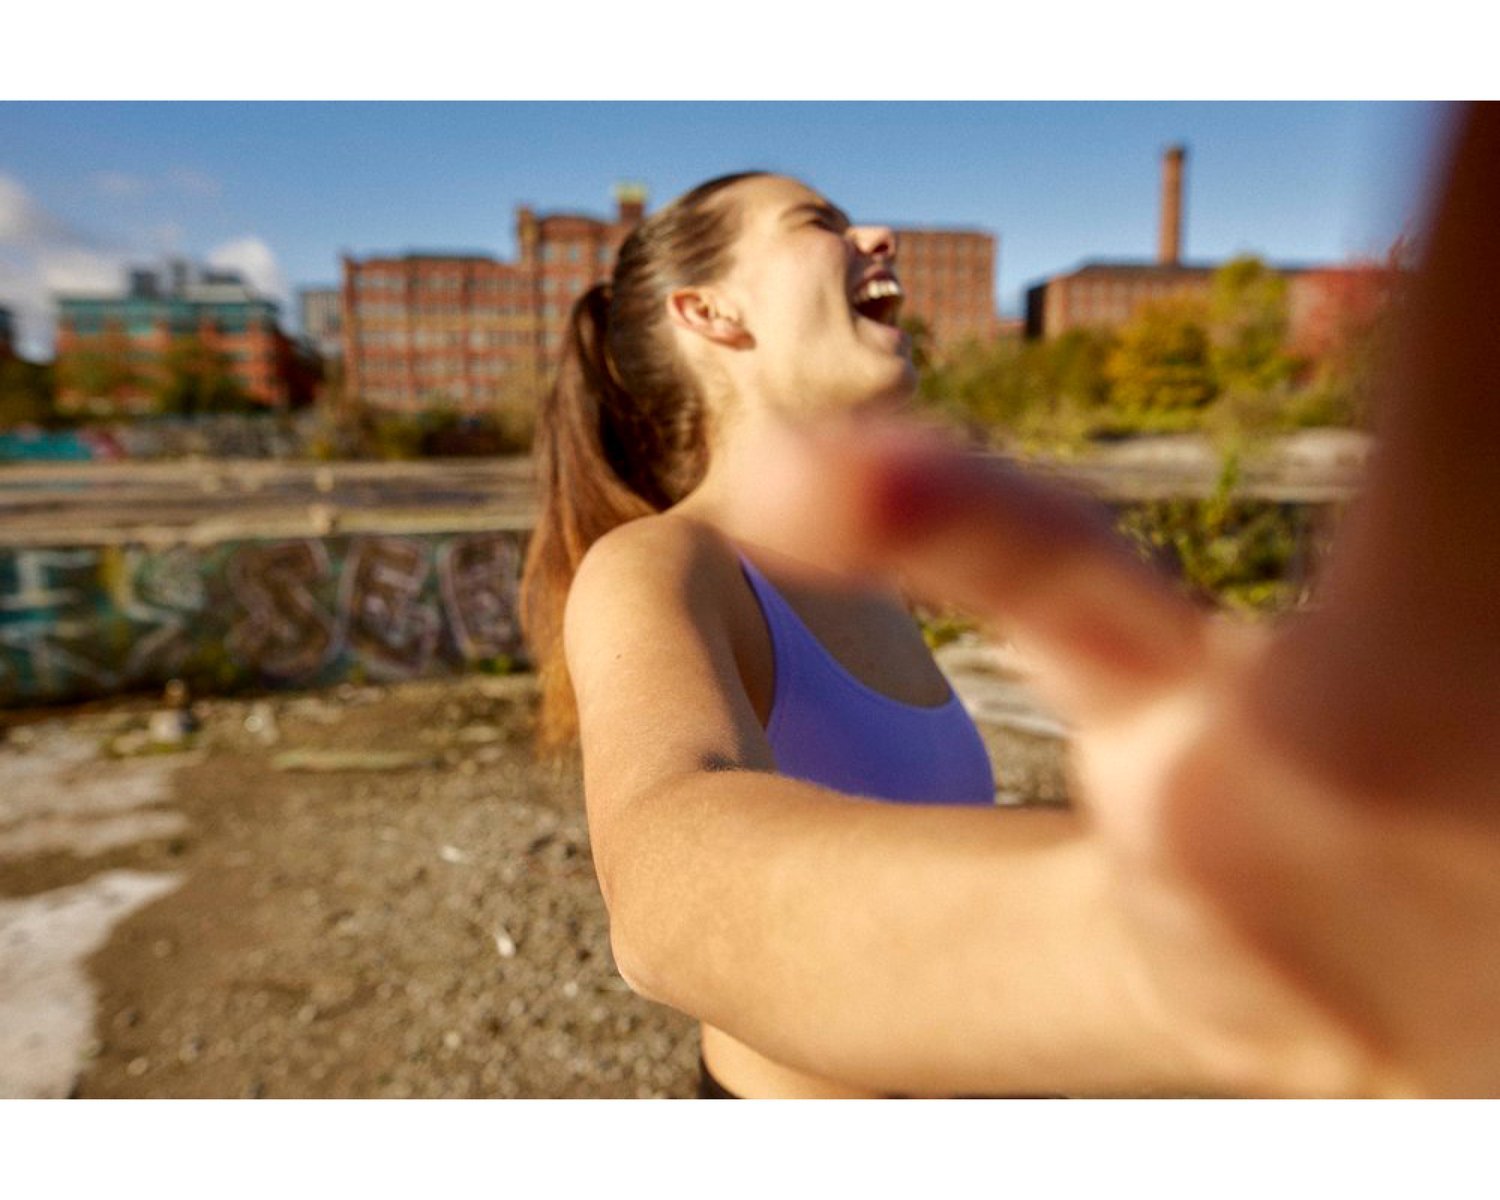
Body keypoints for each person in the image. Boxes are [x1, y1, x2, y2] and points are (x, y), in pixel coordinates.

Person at [521, 101, 1500, 1098]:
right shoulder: (658, 562)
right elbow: (665, 893)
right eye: (818, 223)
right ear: (709, 312)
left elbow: (920, 826)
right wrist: (1167, 959)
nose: (878, 237)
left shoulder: (868, 582)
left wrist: (1212, 841)